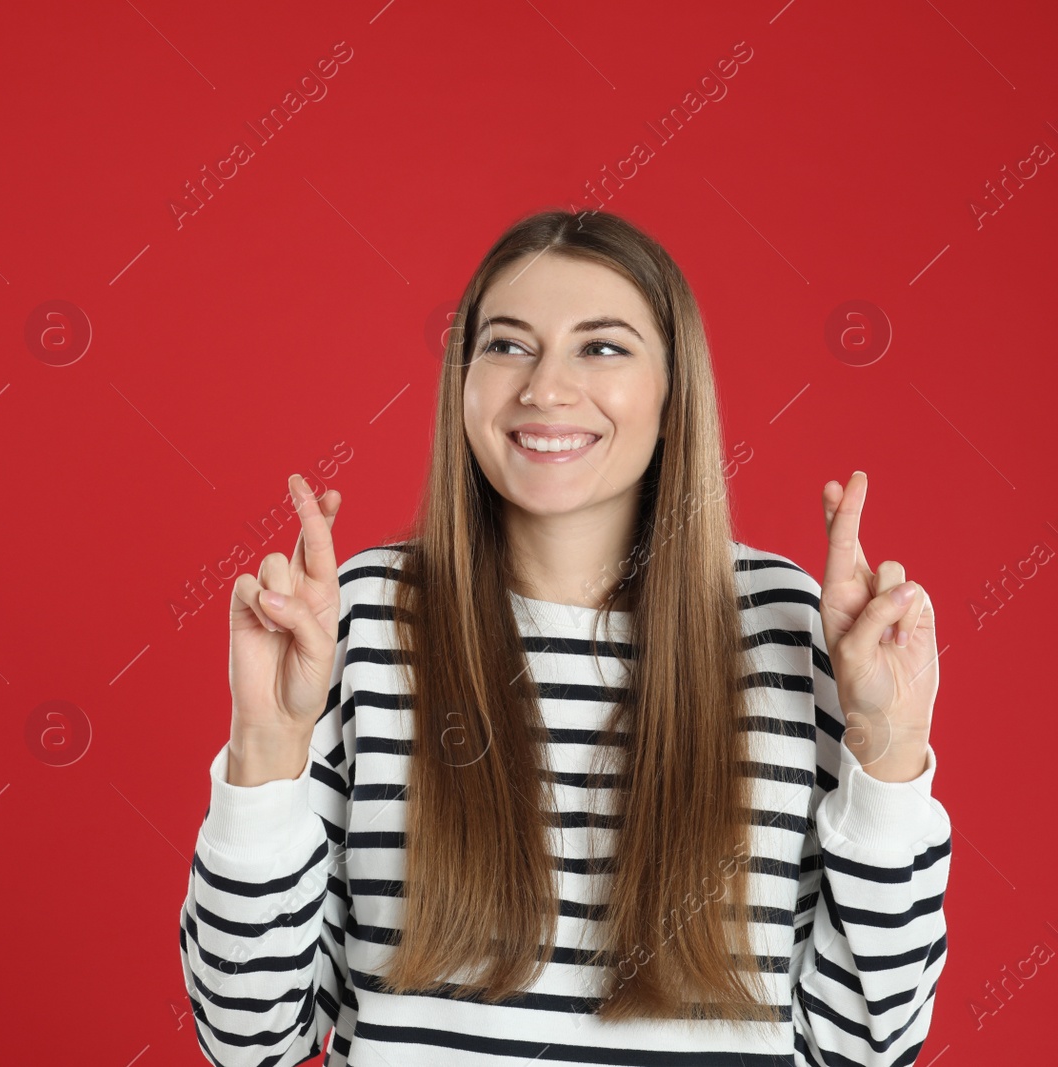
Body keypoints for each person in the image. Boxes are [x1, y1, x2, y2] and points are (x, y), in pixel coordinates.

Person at [177, 208, 950, 1066]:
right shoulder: (359, 615)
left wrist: (890, 752)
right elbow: (249, 1044)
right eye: (507, 345)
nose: (545, 388)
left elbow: (867, 1050)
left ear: (671, 391)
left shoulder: (787, 621)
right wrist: (265, 746)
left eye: (603, 347)